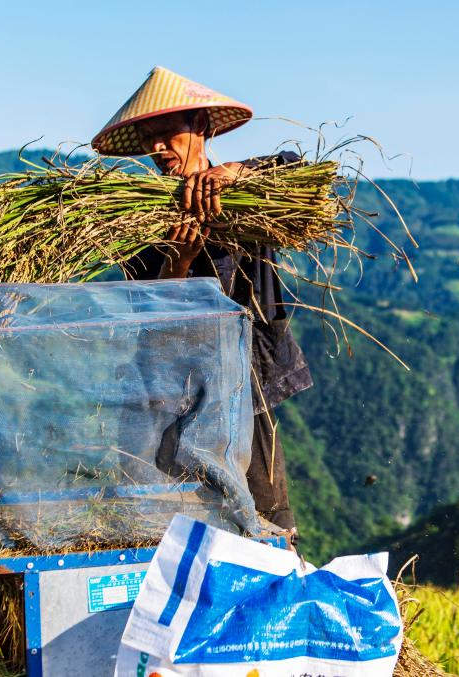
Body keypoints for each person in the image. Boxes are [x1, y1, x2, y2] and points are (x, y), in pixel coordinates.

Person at [91, 67, 312, 541]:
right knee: (186, 526)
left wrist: (236, 173)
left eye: (167, 134)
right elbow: (146, 317)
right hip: (178, 395)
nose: (158, 148)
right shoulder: (139, 219)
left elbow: (300, 169)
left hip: (245, 393)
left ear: (203, 128)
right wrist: (178, 262)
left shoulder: (251, 191)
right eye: (149, 139)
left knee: (270, 525)